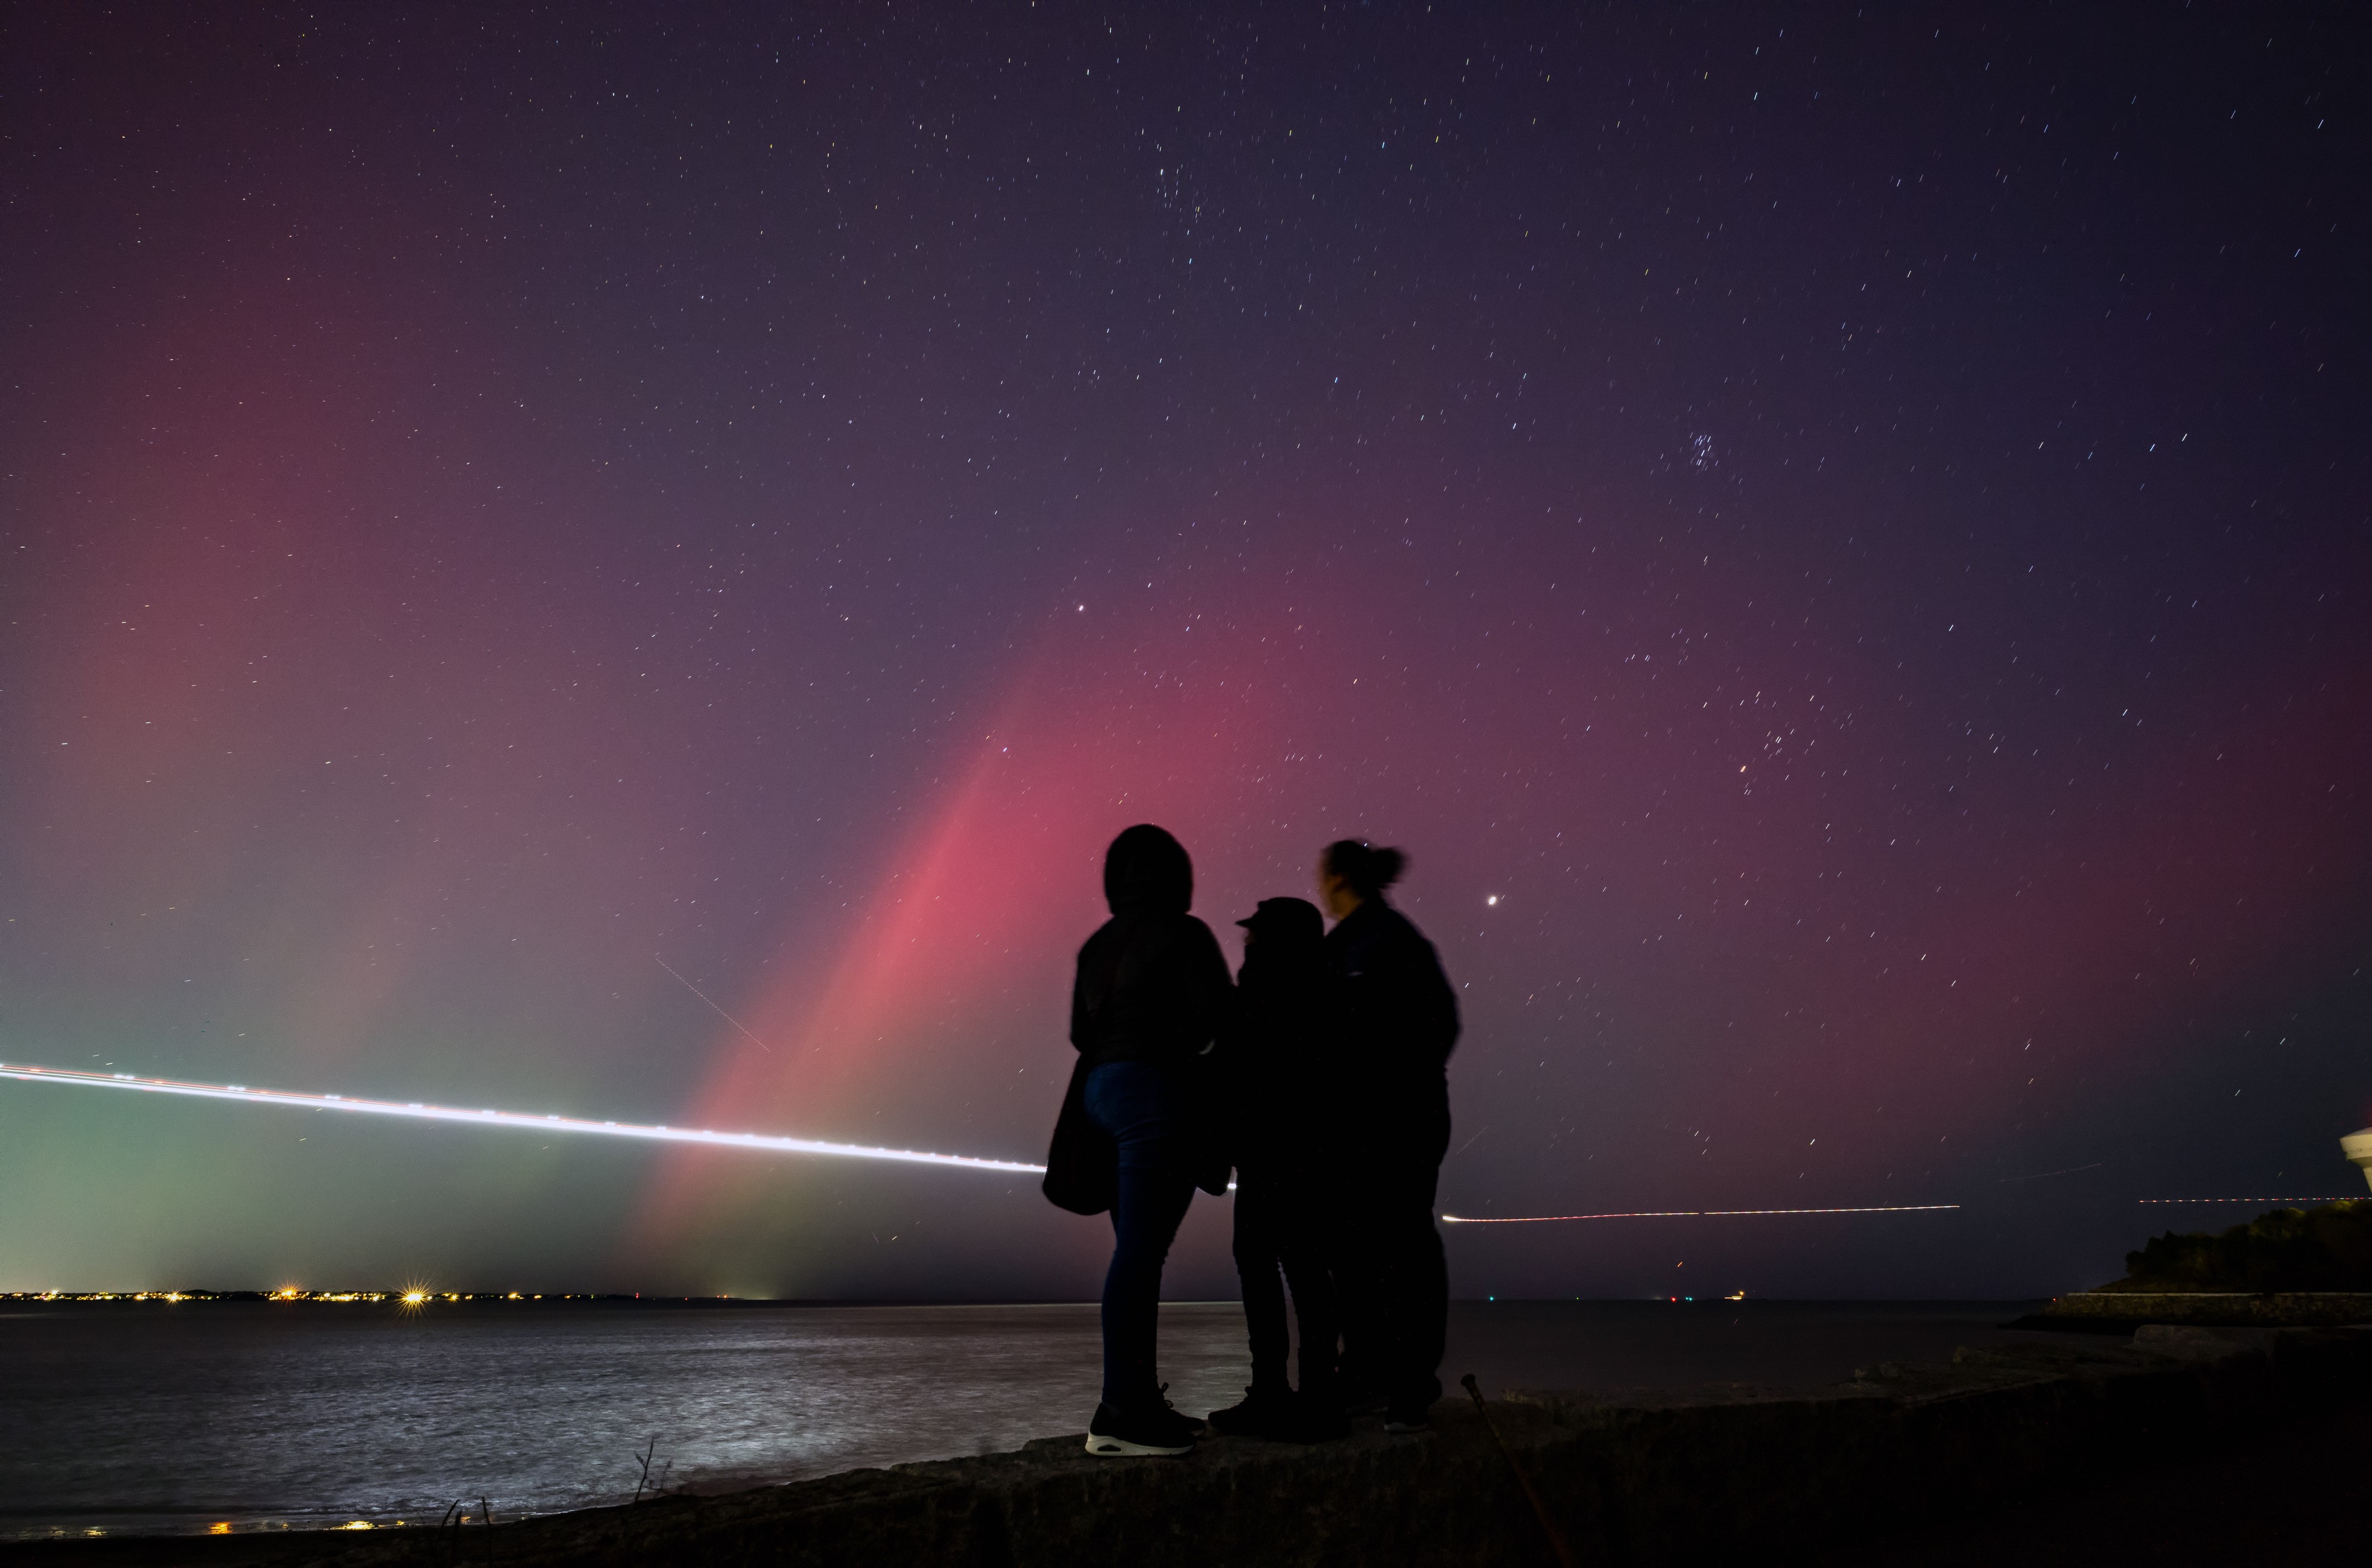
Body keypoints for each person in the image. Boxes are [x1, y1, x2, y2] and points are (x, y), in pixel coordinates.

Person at [1046, 824, 1232, 1457]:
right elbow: (1217, 1020)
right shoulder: (1185, 933)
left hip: (1098, 1090)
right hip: (1149, 1092)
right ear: (1177, 873)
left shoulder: (1095, 944)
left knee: (1137, 1249)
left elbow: (1078, 1029)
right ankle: (1123, 1410)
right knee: (1139, 1255)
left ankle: (1132, 1401)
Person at [1318, 838, 1459, 1433]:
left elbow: (1432, 1024)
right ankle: (1382, 1372)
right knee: (1366, 1244)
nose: (1318, 889)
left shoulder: (1372, 942)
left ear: (1340, 878)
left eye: (1321, 878)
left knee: (1393, 1243)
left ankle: (1400, 1379)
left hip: (1389, 1117)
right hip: (1386, 1115)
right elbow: (1442, 1021)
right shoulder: (1377, 940)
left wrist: (1389, 1081)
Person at [1204, 897, 1349, 1443]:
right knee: (1302, 1270)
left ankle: (1281, 1396)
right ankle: (1313, 1397)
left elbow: (1240, 1066)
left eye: (1256, 933)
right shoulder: (1330, 990)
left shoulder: (1266, 991)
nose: (1247, 941)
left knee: (1273, 1267)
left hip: (1274, 1151)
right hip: (1308, 1152)